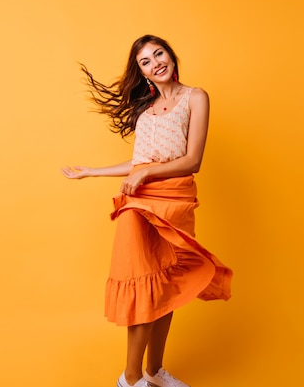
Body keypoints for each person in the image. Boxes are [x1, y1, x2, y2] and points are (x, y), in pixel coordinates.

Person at [62, 34, 233, 387]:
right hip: (139, 205)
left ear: (171, 55)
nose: (156, 62)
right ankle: (130, 378)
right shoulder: (145, 109)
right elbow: (140, 162)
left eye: (159, 53)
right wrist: (94, 171)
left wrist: (147, 171)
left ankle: (154, 373)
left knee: (167, 286)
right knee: (143, 288)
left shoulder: (195, 97)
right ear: (141, 72)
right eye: (145, 61)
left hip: (176, 200)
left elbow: (192, 160)